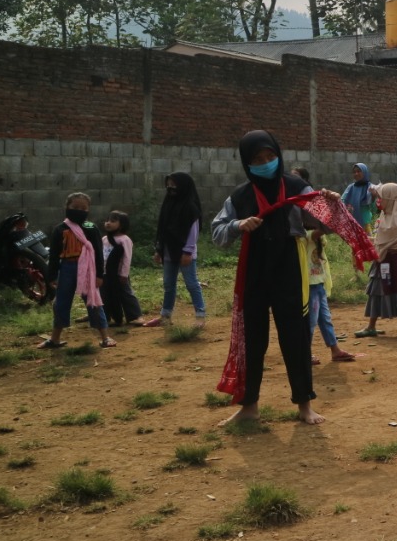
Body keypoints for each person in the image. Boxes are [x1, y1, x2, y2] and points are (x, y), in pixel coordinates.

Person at [211, 131, 333, 425]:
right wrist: (239, 224)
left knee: (296, 337)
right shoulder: (239, 196)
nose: (265, 163)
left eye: (270, 157)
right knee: (252, 338)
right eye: (257, 160)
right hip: (253, 268)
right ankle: (249, 406)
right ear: (246, 163)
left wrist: (329, 203)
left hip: (289, 266)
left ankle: (305, 405)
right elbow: (217, 234)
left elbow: (324, 223)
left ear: (279, 155)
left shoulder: (296, 186)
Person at [40, 192, 115, 350]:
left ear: (88, 210)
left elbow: (98, 253)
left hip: (88, 269)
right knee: (61, 303)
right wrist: (52, 275)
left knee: (94, 302)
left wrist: (99, 275)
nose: (79, 210)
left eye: (83, 208)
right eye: (75, 207)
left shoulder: (91, 228)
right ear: (67, 207)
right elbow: (53, 255)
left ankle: (105, 337)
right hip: (66, 268)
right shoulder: (59, 229)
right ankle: (54, 339)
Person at [355, 182, 397, 340]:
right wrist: (370, 240)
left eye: (381, 197)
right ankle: (371, 326)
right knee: (376, 291)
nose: (378, 200)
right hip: (380, 261)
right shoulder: (384, 216)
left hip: (393, 261)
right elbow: (382, 239)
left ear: (390, 199)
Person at [145, 171, 207, 328]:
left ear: (183, 186)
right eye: (169, 184)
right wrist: (159, 249)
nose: (170, 187)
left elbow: (193, 232)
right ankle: (165, 317)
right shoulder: (168, 204)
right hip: (168, 251)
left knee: (192, 284)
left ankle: (200, 316)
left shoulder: (190, 208)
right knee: (168, 284)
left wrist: (187, 252)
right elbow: (163, 229)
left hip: (185, 252)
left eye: (174, 184)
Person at [307, 230, 356, 363]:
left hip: (318, 281)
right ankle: (305, 353)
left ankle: (335, 350)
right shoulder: (303, 232)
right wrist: (331, 224)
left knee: (325, 318)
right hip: (309, 283)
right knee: (310, 322)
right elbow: (312, 234)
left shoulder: (315, 234)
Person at [101, 210, 142, 328]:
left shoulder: (125, 240)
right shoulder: (104, 239)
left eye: (113, 221)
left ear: (122, 224)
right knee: (106, 295)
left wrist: (124, 274)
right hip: (105, 273)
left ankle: (136, 316)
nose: (108, 223)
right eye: (107, 220)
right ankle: (110, 317)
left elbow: (127, 258)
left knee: (126, 294)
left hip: (119, 275)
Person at [340, 162, 377, 234]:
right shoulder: (351, 187)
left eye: (359, 171)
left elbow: (374, 208)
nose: (356, 174)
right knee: (354, 244)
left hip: (365, 222)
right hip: (352, 221)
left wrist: (373, 196)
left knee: (367, 242)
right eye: (354, 172)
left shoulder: (370, 187)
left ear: (365, 172)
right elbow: (342, 200)